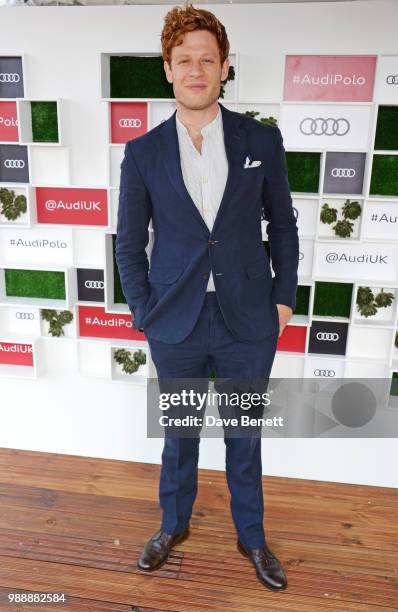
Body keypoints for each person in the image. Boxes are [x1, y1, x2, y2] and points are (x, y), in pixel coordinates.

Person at [115, 2, 299, 592]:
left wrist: (285, 299)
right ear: (168, 70)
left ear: (225, 69)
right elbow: (129, 241)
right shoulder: (142, 153)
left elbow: (284, 226)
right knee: (180, 432)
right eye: (184, 60)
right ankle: (173, 525)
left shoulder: (261, 141)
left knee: (244, 435)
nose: (197, 70)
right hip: (176, 322)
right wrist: (143, 309)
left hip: (249, 318)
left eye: (208, 60)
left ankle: (253, 537)